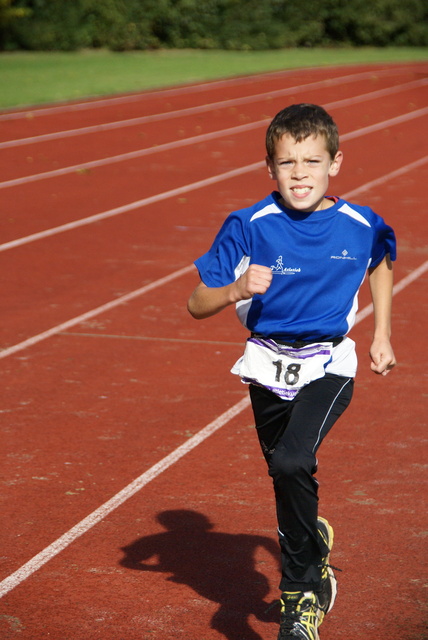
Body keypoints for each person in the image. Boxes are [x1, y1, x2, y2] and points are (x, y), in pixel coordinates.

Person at [187, 103, 396, 640]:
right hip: (266, 362)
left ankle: (300, 597)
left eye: (312, 161)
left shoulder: (359, 224)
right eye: (287, 163)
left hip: (329, 361)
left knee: (293, 459)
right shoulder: (249, 225)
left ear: (336, 163)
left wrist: (382, 335)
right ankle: (314, 544)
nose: (300, 173)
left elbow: (382, 260)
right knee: (285, 475)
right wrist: (235, 289)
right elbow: (196, 302)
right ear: (270, 168)